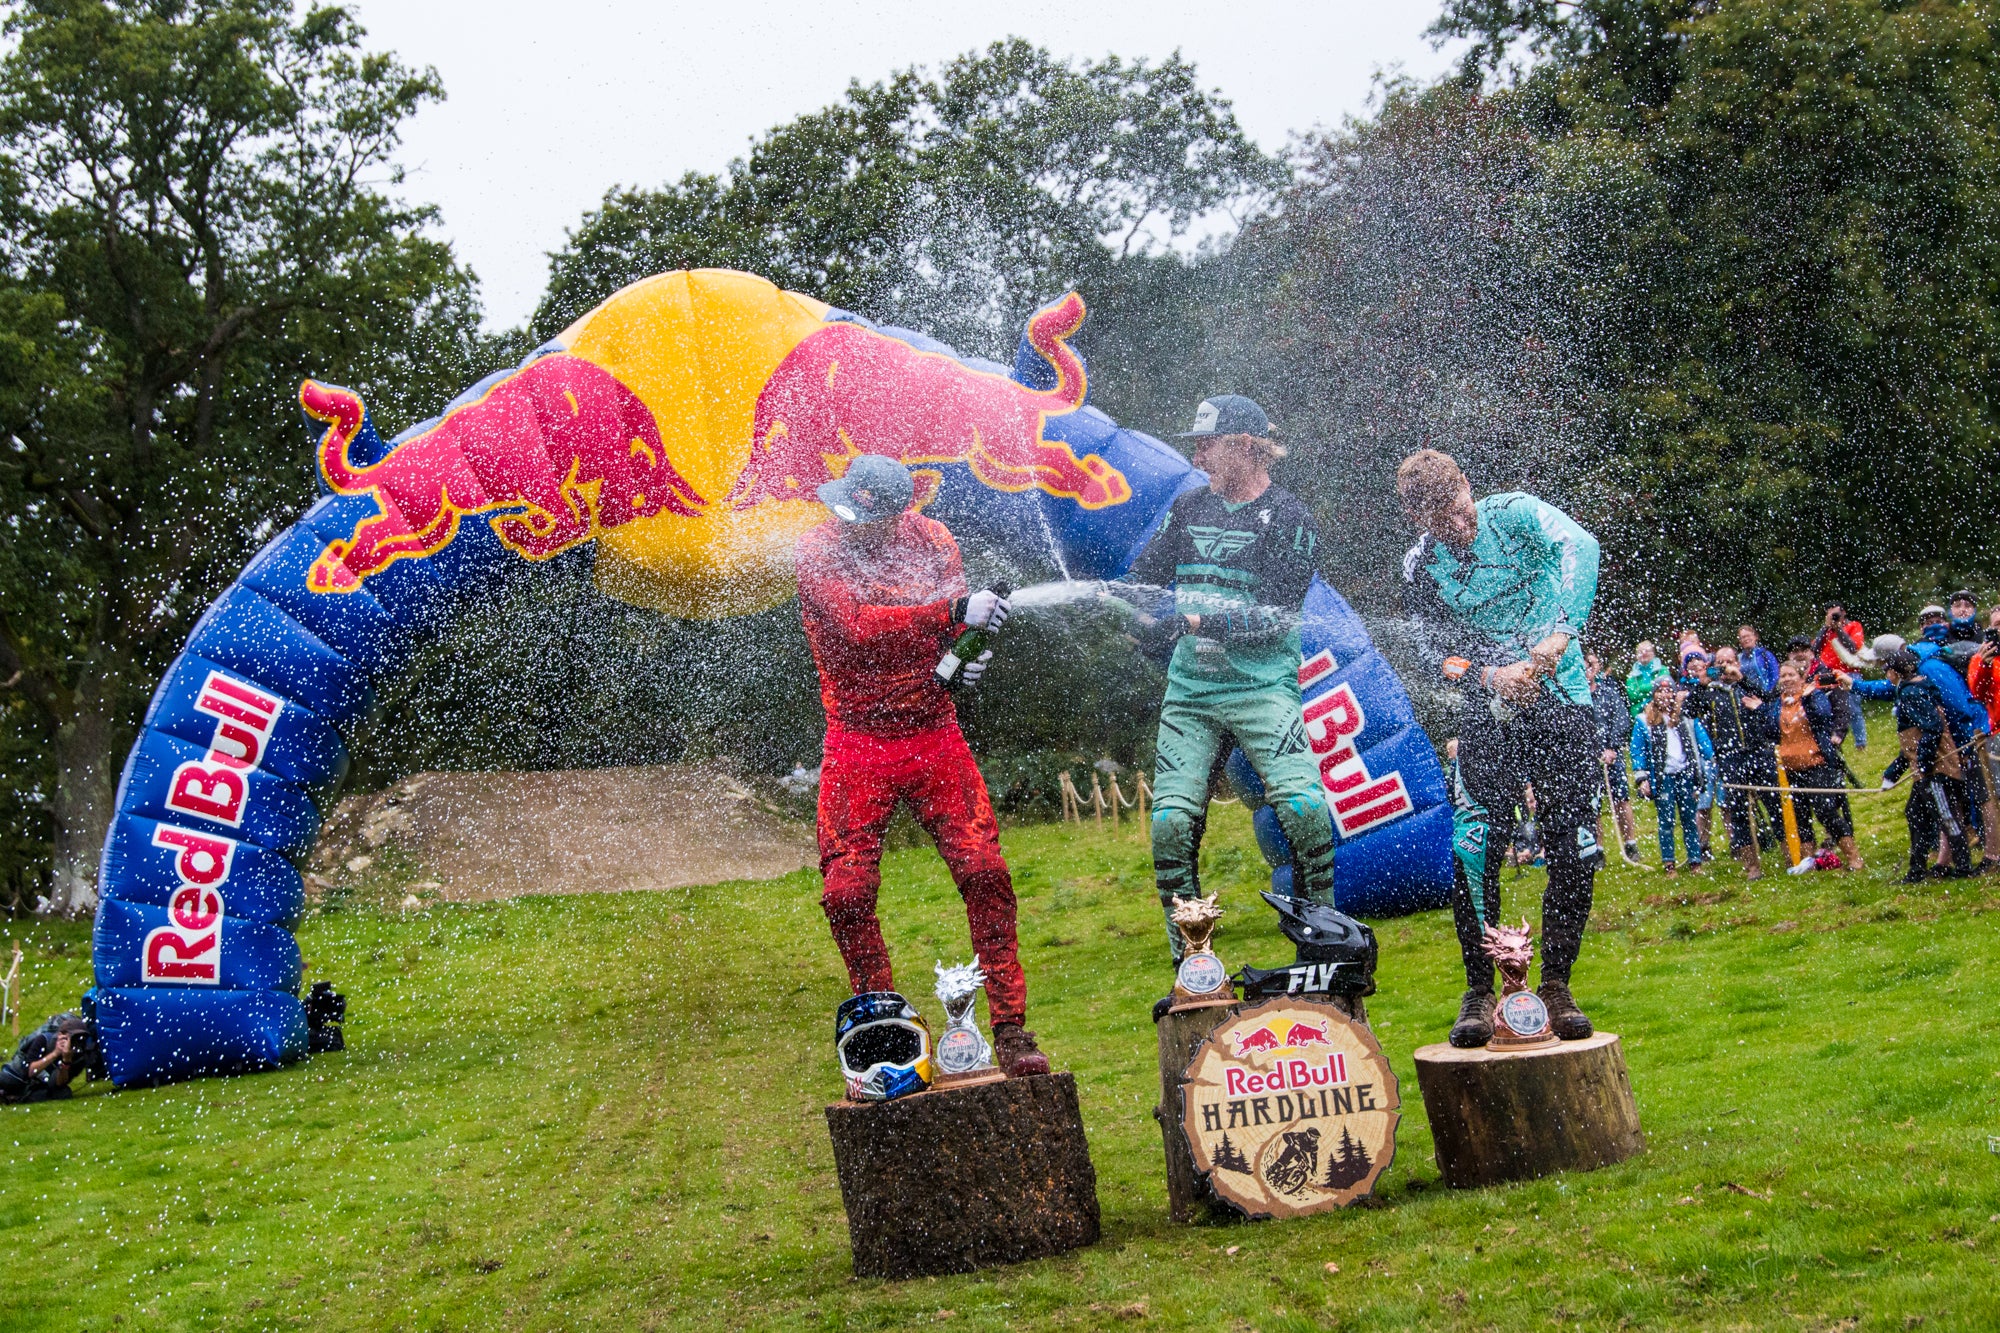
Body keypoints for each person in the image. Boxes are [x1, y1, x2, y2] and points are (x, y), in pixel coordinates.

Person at [795, 453, 1048, 1079]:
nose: (854, 525)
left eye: (867, 517)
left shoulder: (933, 541)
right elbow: (856, 628)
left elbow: (950, 637)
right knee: (845, 892)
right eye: (847, 511)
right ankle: (882, 1024)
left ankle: (1011, 1028)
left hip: (933, 732)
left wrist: (966, 659)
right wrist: (954, 613)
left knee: (985, 870)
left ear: (896, 513)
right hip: (856, 742)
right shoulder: (817, 550)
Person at [1122, 395, 1335, 971]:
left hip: (1263, 688)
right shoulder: (1189, 507)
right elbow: (1143, 580)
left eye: (1206, 441)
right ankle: (1193, 973)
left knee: (1305, 810)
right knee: (1168, 824)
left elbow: (1278, 616)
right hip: (1191, 692)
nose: (1197, 451)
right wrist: (1135, 617)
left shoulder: (1291, 516)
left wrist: (1195, 620)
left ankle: (1326, 957)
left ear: (1245, 445)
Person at [1397, 448, 1602, 1047]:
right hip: (1487, 711)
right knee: (1476, 841)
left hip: (1562, 698)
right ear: (1418, 520)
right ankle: (1481, 990)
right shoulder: (1419, 567)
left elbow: (1581, 547)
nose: (1458, 527)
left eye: (1460, 509)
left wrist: (1560, 635)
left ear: (1467, 486)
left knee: (1575, 840)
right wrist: (1489, 676)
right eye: (1441, 522)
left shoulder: (1516, 513)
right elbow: (1428, 650)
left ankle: (1558, 984)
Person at [1880, 646, 1973, 881]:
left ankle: (1963, 868)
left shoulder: (1911, 693)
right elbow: (1910, 744)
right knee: (1915, 813)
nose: (1886, 675)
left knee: (1946, 816)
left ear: (1896, 671)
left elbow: (1932, 727)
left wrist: (1924, 762)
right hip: (1926, 769)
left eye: (1887, 670)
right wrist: (1893, 774)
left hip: (1935, 770)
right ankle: (1917, 869)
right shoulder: (1917, 687)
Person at [1686, 646, 1780, 879]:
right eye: (1721, 662)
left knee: (1774, 805)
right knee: (1737, 811)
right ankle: (1752, 866)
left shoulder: (1747, 683)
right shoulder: (1709, 690)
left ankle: (1790, 856)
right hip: (1730, 757)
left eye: (1729, 661)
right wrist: (1702, 684)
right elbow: (1688, 711)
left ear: (1737, 663)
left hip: (1759, 752)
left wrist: (1744, 680)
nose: (1726, 666)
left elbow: (1769, 700)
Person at [1773, 661, 1861, 869]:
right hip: (1792, 767)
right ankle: (1808, 862)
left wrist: (1808, 699)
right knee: (1801, 816)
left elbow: (1823, 717)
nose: (1786, 679)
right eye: (1783, 676)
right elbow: (1770, 730)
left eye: (1791, 675)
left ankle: (1853, 856)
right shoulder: (1778, 703)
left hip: (1817, 763)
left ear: (1801, 677)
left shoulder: (1814, 695)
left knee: (1826, 811)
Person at [1631, 679, 1714, 877]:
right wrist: (1642, 778)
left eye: (1669, 691)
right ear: (1653, 694)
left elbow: (1703, 744)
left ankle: (1695, 861)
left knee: (1689, 820)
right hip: (1663, 777)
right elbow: (1638, 751)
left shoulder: (1685, 718)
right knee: (1666, 822)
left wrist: (1709, 760)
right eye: (1660, 691)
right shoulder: (1644, 720)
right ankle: (1669, 863)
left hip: (1684, 774)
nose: (1665, 695)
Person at [1586, 649, 1640, 860]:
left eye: (1591, 665)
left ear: (1597, 667)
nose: (1588, 670)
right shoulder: (1577, 696)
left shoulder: (1609, 693)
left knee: (1621, 800)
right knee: (1594, 804)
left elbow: (1622, 720)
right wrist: (1593, 753)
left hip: (1612, 756)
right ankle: (1598, 850)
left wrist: (1612, 748)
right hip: (1590, 759)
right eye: (1584, 666)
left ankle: (1630, 844)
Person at [0, 1014, 88, 1104]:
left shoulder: (79, 1055)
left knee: (64, 1093)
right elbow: (31, 1071)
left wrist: (66, 1061)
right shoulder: (44, 1039)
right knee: (6, 1080)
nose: (75, 1042)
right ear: (60, 1034)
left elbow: (57, 1083)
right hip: (18, 1076)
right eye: (72, 1037)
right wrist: (55, 1053)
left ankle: (14, 1097)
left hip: (38, 1085)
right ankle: (13, 1096)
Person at [1815, 605, 1868, 751]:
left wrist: (1838, 629)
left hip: (1849, 671)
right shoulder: (1825, 631)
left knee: (1853, 708)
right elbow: (1814, 650)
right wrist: (1826, 628)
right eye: (1830, 614)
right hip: (1828, 673)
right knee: (1831, 709)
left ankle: (1860, 743)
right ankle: (1835, 741)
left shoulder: (1853, 625)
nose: (1833, 616)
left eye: (1836, 613)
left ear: (1843, 613)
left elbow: (1852, 647)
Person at [1625, 641, 1668, 718]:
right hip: (1638, 713)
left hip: (1660, 710)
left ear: (1653, 653)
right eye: (1640, 652)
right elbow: (1633, 696)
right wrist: (1653, 689)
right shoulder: (1631, 675)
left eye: (1647, 651)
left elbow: (1664, 689)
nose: (1644, 653)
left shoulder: (1662, 670)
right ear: (1636, 655)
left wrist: (1641, 688)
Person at [1738, 625, 1781, 696]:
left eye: (1748, 636)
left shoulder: (1765, 654)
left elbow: (1775, 674)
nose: (1746, 639)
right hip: (1746, 696)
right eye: (1742, 637)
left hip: (1765, 694)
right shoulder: (1739, 658)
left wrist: (1770, 693)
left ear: (1755, 637)